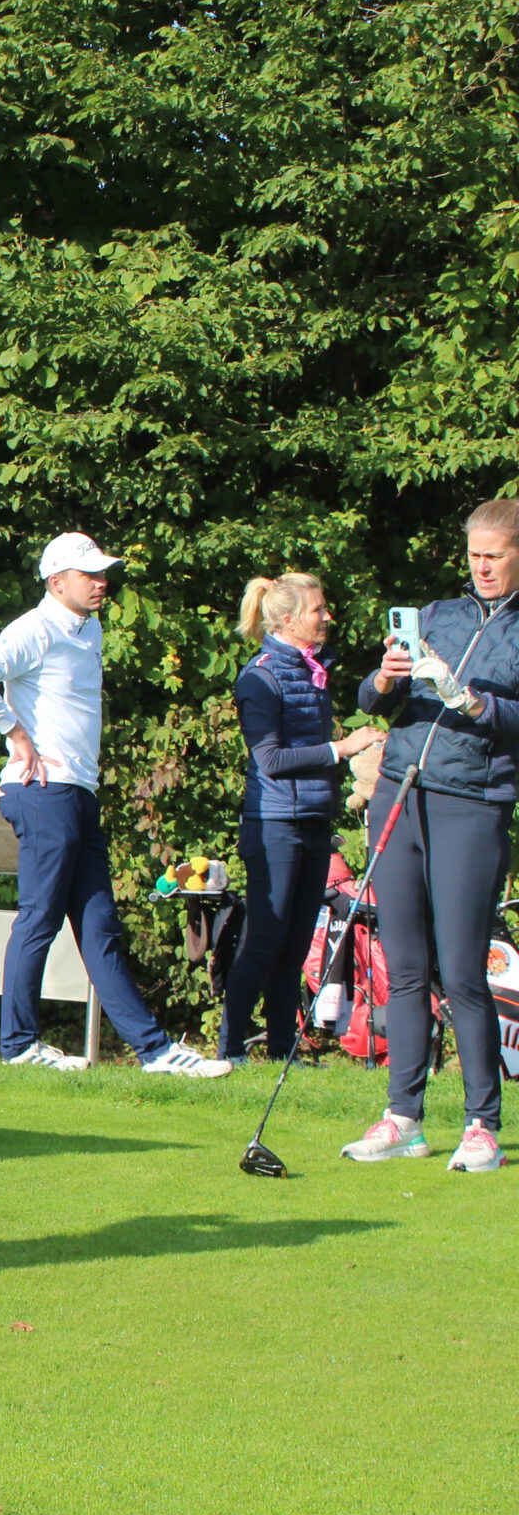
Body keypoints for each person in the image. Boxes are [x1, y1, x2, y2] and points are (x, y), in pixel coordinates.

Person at [0, 533, 231, 1077]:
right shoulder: (35, 628)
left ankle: (155, 1052)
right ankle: (18, 1046)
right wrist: (16, 734)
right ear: (57, 582)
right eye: (90, 575)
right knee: (40, 918)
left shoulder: (90, 628)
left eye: (103, 573)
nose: (102, 582)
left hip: (77, 792)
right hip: (43, 792)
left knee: (100, 925)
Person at [340, 501, 519, 1172]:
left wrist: (474, 702)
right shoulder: (439, 614)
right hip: (400, 790)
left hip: (472, 802)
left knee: (463, 970)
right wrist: (385, 678)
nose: (482, 567)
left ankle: (482, 1125)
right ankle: (403, 1117)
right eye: (475, 554)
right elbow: (372, 700)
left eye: (495, 555)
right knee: (406, 966)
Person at [220, 574, 386, 1062]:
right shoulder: (260, 676)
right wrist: (342, 748)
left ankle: (281, 1051)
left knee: (294, 946)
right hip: (275, 824)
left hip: (314, 820)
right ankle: (230, 1049)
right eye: (318, 609)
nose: (327, 616)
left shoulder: (312, 670)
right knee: (264, 940)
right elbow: (270, 759)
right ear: (289, 620)